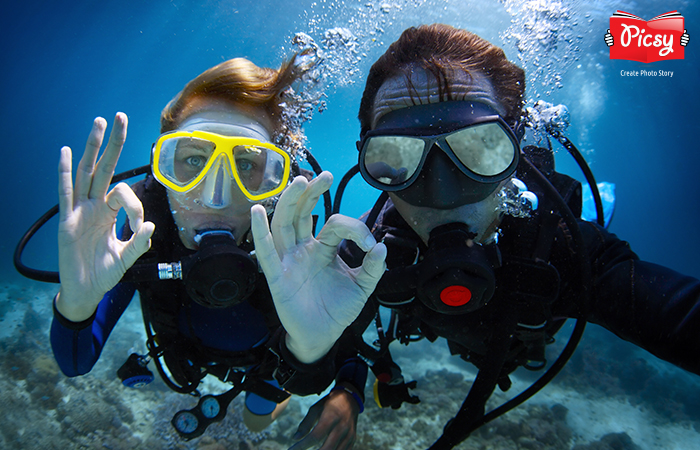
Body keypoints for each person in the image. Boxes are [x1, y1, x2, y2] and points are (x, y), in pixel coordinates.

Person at [338, 24, 700, 450]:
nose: (442, 194)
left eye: (479, 148)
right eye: (395, 156)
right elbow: (330, 335)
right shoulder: (368, 250)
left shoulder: (563, 248)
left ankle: (602, 199)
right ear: (369, 160)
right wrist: (346, 384)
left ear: (515, 147)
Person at [50, 55, 386, 446]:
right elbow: (76, 362)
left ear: (278, 183)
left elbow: (345, 342)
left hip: (270, 366)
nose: (215, 198)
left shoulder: (297, 238)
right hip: (186, 358)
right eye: (193, 160)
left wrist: (327, 370)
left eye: (247, 165)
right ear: (164, 171)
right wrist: (77, 302)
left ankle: (268, 402)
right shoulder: (143, 229)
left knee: (257, 418)